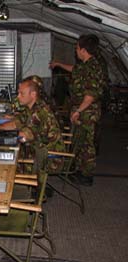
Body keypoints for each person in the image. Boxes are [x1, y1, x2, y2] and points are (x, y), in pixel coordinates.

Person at [49, 34, 106, 186]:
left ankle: (86, 175)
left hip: (87, 112)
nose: (75, 50)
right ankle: (79, 170)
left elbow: (90, 96)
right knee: (79, 142)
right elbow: (75, 70)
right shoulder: (84, 65)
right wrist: (58, 64)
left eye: (77, 48)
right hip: (81, 110)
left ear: (83, 49)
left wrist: (78, 111)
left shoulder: (94, 67)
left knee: (87, 143)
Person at [0, 77, 65, 172]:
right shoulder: (31, 107)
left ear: (33, 94)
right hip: (36, 149)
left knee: (1, 165)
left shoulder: (39, 112)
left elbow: (24, 136)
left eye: (22, 93)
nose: (18, 96)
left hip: (49, 157)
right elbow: (16, 123)